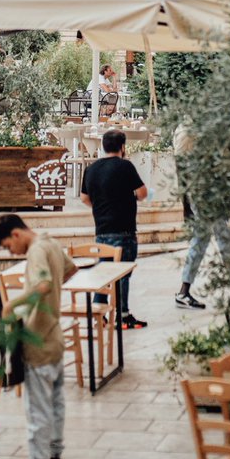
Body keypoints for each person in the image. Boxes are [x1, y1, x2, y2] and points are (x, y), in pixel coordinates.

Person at [0, 213, 77, 459]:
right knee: (56, 403)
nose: (10, 252)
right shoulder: (50, 243)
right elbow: (69, 269)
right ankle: (55, 456)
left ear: (16, 234)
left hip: (38, 340)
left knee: (37, 408)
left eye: (7, 246)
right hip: (54, 336)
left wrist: (11, 305)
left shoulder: (36, 251)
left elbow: (43, 285)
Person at [81, 128, 148, 329]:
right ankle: (123, 314)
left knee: (104, 271)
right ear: (122, 147)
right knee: (123, 273)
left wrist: (102, 206)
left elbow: (84, 198)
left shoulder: (91, 169)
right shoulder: (125, 166)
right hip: (124, 229)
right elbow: (142, 193)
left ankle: (99, 311)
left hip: (101, 229)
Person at [173, 120, 230, 309]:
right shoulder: (190, 131)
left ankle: (184, 290)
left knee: (204, 241)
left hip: (204, 196)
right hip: (205, 197)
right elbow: (182, 168)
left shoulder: (192, 129)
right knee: (222, 238)